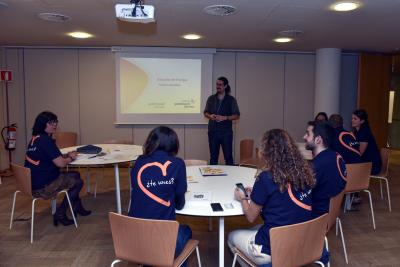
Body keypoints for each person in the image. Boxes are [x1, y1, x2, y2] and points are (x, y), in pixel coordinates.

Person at [228, 129, 315, 266]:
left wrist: (243, 198)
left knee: (231, 236)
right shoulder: (303, 173)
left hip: (272, 248)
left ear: (267, 152)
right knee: (256, 228)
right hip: (300, 242)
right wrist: (257, 193)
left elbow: (251, 217)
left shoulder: (266, 178)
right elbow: (282, 197)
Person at [128, 126, 191, 264]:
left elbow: (136, 189)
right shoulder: (177, 164)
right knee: (186, 231)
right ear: (173, 144)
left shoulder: (138, 162)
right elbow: (180, 205)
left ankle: (149, 262)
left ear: (150, 142)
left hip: (133, 237)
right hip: (162, 238)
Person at [25, 111, 91, 227]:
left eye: (55, 121)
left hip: (33, 183)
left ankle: (77, 207)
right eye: (50, 122)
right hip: (43, 187)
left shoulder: (35, 139)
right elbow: (60, 163)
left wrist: (66, 157)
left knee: (75, 174)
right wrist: (70, 157)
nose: (54, 125)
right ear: (43, 124)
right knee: (78, 182)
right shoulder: (46, 141)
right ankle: (60, 212)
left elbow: (50, 158)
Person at [303, 121, 347, 218]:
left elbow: (301, 193)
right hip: (329, 214)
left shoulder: (317, 166)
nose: (304, 137)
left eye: (308, 134)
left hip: (315, 218)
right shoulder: (337, 156)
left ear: (318, 140)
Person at [204, 76, 240, 165]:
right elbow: (205, 112)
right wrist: (210, 116)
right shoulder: (211, 98)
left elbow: (237, 115)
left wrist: (225, 118)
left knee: (228, 157)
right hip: (213, 132)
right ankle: (212, 178)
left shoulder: (231, 100)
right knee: (213, 158)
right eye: (217, 84)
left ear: (225, 86)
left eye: (220, 85)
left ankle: (231, 177)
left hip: (226, 133)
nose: (218, 86)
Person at [352, 109, 382, 175]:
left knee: (348, 166)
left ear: (362, 121)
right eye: (352, 118)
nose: (352, 120)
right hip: (366, 162)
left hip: (372, 165)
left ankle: (354, 184)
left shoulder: (364, 133)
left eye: (355, 119)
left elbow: (360, 153)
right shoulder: (356, 132)